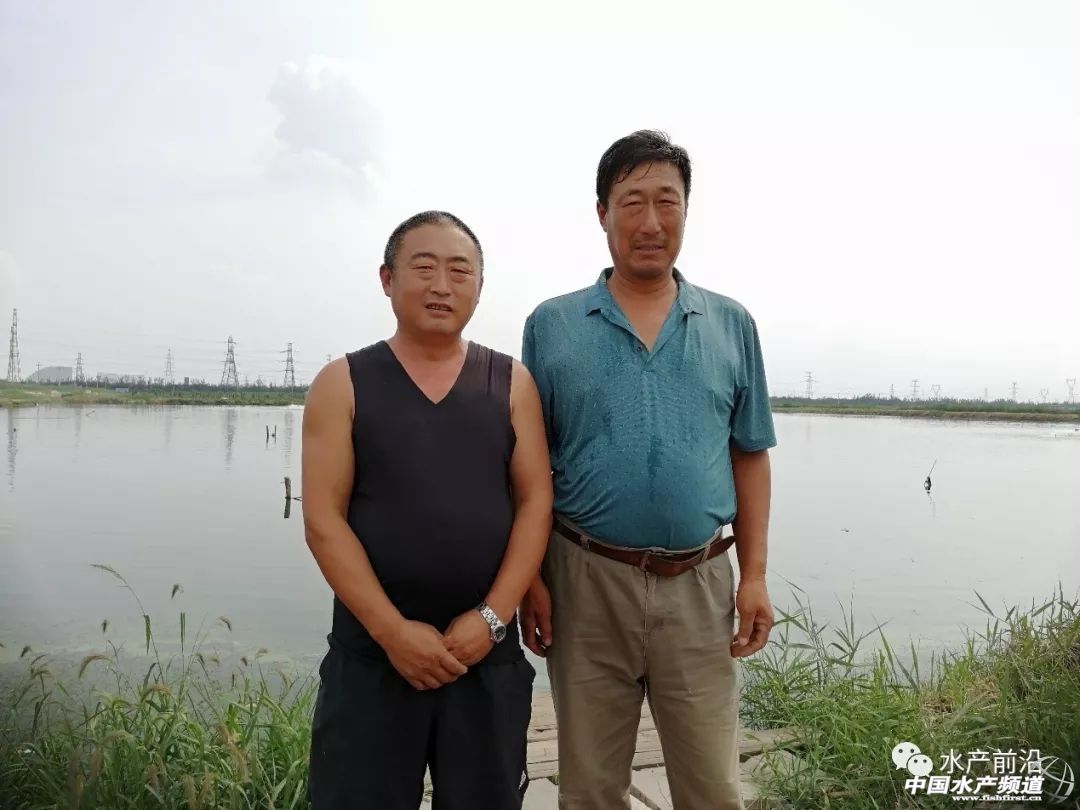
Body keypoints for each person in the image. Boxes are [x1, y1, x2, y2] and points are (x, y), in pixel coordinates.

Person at [520, 131, 777, 810]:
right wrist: (530, 579)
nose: (651, 222)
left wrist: (753, 575)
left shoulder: (731, 324)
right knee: (589, 788)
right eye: (632, 202)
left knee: (712, 786)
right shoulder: (552, 325)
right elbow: (530, 466)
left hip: (699, 582)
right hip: (583, 581)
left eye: (668, 201)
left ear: (688, 211)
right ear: (602, 213)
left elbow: (750, 453)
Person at [303, 210, 553, 810]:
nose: (442, 285)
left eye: (460, 271)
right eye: (424, 268)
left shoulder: (511, 382)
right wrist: (392, 632)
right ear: (387, 279)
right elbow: (323, 520)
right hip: (372, 656)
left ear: (479, 288)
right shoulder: (343, 382)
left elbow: (535, 501)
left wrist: (492, 618)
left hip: (483, 657)